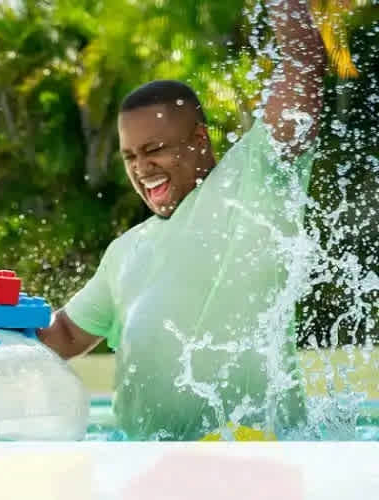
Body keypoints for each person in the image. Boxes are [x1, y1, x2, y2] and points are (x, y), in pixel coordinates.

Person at [38, 0, 326, 440]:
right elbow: (64, 336)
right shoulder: (125, 252)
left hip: (261, 464)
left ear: (199, 139)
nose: (141, 168)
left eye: (154, 150)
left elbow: (303, 64)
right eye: (130, 156)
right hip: (145, 469)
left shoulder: (254, 180)